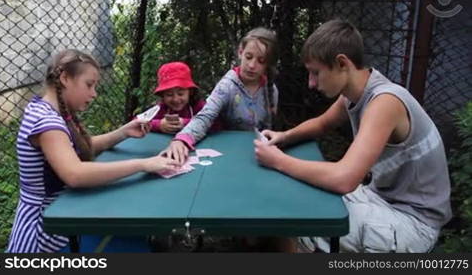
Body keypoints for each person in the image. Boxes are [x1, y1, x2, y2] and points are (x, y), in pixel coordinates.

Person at [254, 19, 452, 253]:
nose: (311, 83)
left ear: (341, 63)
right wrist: (283, 136)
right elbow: (321, 124)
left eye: (315, 73)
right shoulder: (353, 94)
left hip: (413, 222)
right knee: (293, 194)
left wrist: (277, 160)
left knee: (292, 217)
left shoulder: (385, 102)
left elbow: (344, 178)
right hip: (380, 198)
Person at [7, 49, 179, 253]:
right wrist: (143, 164)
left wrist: (123, 132)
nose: (94, 93)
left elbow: (78, 148)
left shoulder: (46, 109)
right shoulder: (47, 123)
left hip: (66, 213)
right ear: (65, 78)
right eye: (89, 84)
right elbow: (75, 174)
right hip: (47, 234)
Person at [164, 27, 279, 164]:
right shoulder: (227, 86)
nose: (252, 65)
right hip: (226, 154)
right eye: (248, 57)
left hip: (258, 156)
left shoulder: (271, 90)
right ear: (240, 53)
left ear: (268, 64)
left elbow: (268, 130)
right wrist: (182, 139)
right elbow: (206, 115)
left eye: (261, 61)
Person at [147, 61, 218, 134]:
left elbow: (217, 123)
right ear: (162, 95)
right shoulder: (161, 108)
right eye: (169, 94)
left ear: (190, 92)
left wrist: (185, 123)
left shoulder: (199, 106)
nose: (176, 99)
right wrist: (159, 125)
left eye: (180, 94)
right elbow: (138, 121)